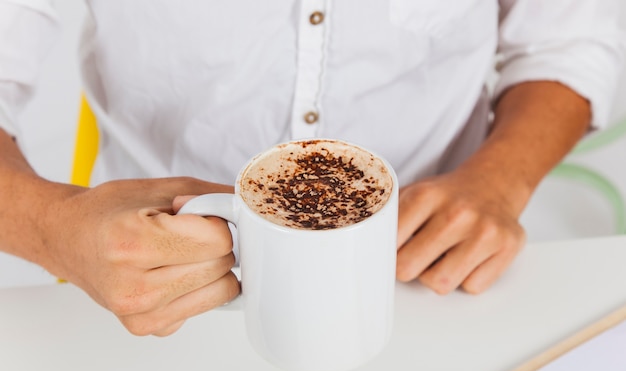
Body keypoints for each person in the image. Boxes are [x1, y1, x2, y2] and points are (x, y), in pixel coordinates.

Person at [0, 1, 623, 336]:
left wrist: (500, 178)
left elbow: (567, 39)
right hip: (146, 285)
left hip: (433, 272)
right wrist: (52, 227)